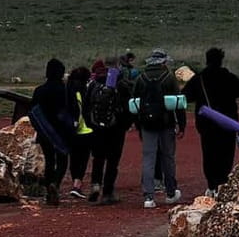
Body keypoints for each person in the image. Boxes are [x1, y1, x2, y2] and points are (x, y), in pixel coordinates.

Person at [183, 47, 239, 196]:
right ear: (221, 60)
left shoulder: (199, 78)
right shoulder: (228, 76)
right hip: (227, 121)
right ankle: (222, 183)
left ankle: (212, 185)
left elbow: (186, 96)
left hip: (206, 123)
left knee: (209, 153)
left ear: (206, 60)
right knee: (226, 154)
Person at [134, 48, 186, 209]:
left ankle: (148, 196)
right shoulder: (169, 77)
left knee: (148, 158)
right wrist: (182, 125)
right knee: (168, 157)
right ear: (163, 62)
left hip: (147, 124)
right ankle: (170, 192)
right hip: (166, 123)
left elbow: (135, 104)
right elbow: (178, 103)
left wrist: (139, 126)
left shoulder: (141, 78)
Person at [86, 57, 132, 204]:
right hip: (116, 128)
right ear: (117, 66)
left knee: (98, 158)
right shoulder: (122, 84)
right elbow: (128, 107)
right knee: (113, 161)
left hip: (97, 128)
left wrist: (91, 124)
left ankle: (95, 185)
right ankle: (107, 192)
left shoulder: (94, 84)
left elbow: (86, 106)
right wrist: (126, 125)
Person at [31, 58, 71, 206]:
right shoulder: (65, 90)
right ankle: (56, 183)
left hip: (44, 131)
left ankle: (49, 189)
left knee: (49, 160)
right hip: (61, 132)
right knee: (62, 160)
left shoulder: (39, 90)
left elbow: (33, 111)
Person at [67, 66, 93, 199]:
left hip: (71, 130)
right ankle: (77, 184)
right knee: (83, 159)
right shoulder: (86, 91)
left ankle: (75, 182)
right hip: (86, 129)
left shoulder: (67, 91)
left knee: (73, 158)